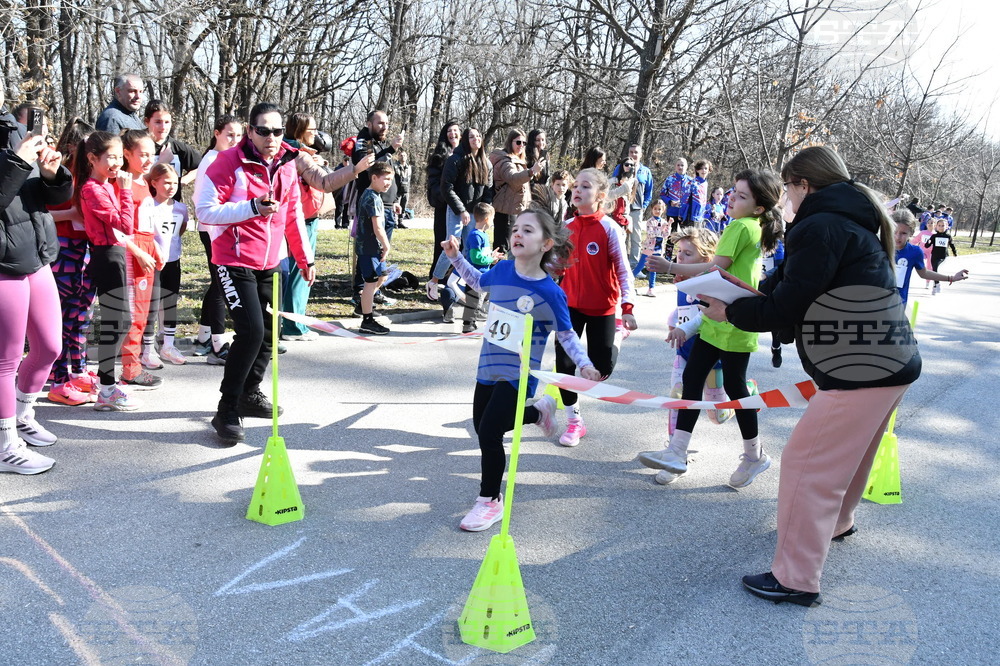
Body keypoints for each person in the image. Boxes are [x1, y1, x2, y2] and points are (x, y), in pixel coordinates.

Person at [697, 146, 921, 606]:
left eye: (789, 191)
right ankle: (837, 523)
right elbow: (791, 288)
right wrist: (745, 297)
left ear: (804, 185)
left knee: (808, 464)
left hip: (860, 369)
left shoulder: (820, 225)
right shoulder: (848, 219)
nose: (786, 201)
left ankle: (796, 577)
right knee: (851, 456)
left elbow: (788, 305)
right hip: (889, 363)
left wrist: (731, 311)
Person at [442, 207, 602, 531]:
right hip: (487, 367)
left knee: (490, 432)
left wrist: (584, 364)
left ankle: (490, 501)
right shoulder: (501, 271)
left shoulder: (551, 292)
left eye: (528, 230)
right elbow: (476, 281)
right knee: (482, 427)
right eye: (516, 229)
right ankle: (539, 412)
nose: (518, 234)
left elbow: (567, 335)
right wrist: (456, 257)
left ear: (546, 244)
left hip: (519, 375)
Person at [642, 169, 783, 487]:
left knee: (735, 390)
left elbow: (716, 266)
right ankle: (677, 452)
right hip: (719, 318)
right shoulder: (751, 224)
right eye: (733, 191)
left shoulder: (740, 227)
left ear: (759, 208)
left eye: (742, 195)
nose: (732, 197)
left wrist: (670, 266)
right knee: (695, 379)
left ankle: (754, 456)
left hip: (733, 321)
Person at [195, 102, 316, 445]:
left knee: (271, 334)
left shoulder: (287, 165)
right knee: (251, 331)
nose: (271, 138)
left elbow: (292, 215)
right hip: (232, 259)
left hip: (269, 262)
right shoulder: (226, 162)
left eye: (277, 131)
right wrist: (250, 208)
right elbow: (204, 211)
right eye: (263, 130)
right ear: (250, 131)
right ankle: (226, 408)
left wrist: (305, 260)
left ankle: (250, 391)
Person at [0, 111, 72, 474]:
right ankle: (4, 444)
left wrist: (51, 173)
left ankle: (23, 414)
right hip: (2, 263)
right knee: (5, 359)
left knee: (49, 347)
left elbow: (50, 197)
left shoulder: (14, 129)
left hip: (36, 253)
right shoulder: (16, 147)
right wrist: (17, 161)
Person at [554, 168, 638, 447]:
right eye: (575, 185)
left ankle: (618, 335)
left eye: (585, 187)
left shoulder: (609, 228)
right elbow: (555, 267)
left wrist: (627, 307)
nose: (577, 190)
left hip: (602, 306)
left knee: (600, 371)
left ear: (601, 196)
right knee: (564, 365)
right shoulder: (566, 227)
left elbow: (624, 271)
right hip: (569, 307)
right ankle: (574, 421)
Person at [651, 226, 735, 485]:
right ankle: (676, 454)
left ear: (707, 258)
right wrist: (673, 322)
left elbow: (703, 315)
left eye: (688, 254)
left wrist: (684, 327)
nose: (680, 259)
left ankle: (745, 398)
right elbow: (682, 309)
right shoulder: (681, 280)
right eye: (678, 253)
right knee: (678, 394)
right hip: (685, 352)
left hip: (712, 355)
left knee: (716, 414)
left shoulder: (712, 282)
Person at [281, 111, 373, 340]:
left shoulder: (290, 152)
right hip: (303, 220)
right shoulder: (299, 156)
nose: (316, 133)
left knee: (293, 271)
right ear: (300, 132)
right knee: (300, 272)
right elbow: (324, 182)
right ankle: (294, 327)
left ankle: (291, 323)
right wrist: (355, 169)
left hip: (295, 218)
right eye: (312, 130)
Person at [76, 131, 141, 411]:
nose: (116, 163)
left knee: (120, 321)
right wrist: (126, 191)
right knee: (117, 321)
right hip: (106, 255)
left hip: (114, 253)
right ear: (92, 158)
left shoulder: (104, 185)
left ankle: (107, 386)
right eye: (110, 157)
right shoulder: (92, 188)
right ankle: (106, 389)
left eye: (118, 156)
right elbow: (125, 225)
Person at [46, 117, 99, 406]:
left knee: (81, 316)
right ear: (70, 147)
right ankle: (57, 379)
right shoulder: (55, 175)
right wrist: (71, 214)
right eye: (86, 149)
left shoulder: (92, 176)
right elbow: (38, 215)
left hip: (87, 251)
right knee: (59, 318)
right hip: (61, 251)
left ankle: (78, 370)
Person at [192, 115, 244, 364]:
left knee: (217, 283)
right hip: (214, 230)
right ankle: (218, 344)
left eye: (238, 135)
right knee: (222, 285)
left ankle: (204, 337)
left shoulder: (226, 158)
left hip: (222, 230)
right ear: (216, 134)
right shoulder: (212, 160)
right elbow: (202, 202)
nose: (234, 140)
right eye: (229, 135)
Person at [118, 129, 164, 386]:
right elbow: (116, 228)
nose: (149, 160)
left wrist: (154, 247)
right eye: (143, 154)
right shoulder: (120, 183)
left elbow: (146, 222)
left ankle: (133, 365)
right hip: (131, 253)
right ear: (127, 154)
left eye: (152, 154)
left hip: (146, 250)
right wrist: (137, 251)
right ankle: (130, 369)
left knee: (144, 313)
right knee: (133, 314)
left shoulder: (144, 181)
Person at [427, 127, 493, 300]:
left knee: (468, 250)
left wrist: (483, 213)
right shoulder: (455, 159)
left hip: (475, 212)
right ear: (465, 140)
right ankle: (433, 281)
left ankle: (458, 284)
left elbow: (488, 191)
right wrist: (461, 210)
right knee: (452, 245)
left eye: (478, 136)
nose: (475, 139)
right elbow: (446, 187)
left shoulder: (487, 163)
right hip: (457, 210)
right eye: (471, 136)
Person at [350, 110, 404, 309]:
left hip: (387, 205)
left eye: (387, 123)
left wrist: (394, 200)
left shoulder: (380, 142)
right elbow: (369, 166)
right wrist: (391, 148)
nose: (384, 127)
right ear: (369, 123)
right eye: (380, 123)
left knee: (380, 255)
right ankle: (360, 293)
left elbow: (387, 172)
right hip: (372, 206)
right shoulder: (363, 141)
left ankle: (374, 292)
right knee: (369, 253)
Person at [144, 164, 189, 364]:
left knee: (170, 303)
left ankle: (168, 346)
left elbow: (181, 229)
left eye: (175, 183)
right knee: (151, 306)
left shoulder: (180, 208)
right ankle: (146, 349)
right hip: (153, 264)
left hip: (173, 262)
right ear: (154, 183)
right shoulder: (147, 206)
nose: (171, 187)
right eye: (166, 183)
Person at [892, 210, 968, 305]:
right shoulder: (878, 247)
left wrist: (951, 278)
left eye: (903, 233)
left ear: (911, 233)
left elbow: (924, 273)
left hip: (898, 304)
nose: (898, 237)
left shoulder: (914, 252)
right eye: (894, 232)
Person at [355, 161, 396, 335]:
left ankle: (362, 306)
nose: (388, 183)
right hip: (370, 249)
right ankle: (367, 320)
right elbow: (377, 226)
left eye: (390, 179)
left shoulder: (374, 195)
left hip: (374, 249)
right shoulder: (372, 197)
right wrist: (387, 245)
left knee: (382, 277)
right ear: (374, 177)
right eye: (385, 179)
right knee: (371, 282)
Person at [490, 129, 544, 255]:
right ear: (510, 142)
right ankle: (497, 273)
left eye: (524, 143)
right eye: (518, 142)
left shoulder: (517, 159)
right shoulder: (505, 161)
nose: (521, 146)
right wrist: (531, 171)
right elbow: (513, 178)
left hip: (514, 209)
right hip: (505, 211)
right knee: (502, 248)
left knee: (512, 247)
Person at [458, 202, 503, 333]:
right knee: (473, 299)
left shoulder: (483, 235)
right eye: (493, 219)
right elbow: (475, 257)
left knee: (482, 297)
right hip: (474, 275)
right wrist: (490, 259)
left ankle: (474, 320)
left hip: (484, 274)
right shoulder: (475, 236)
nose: (493, 222)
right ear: (487, 219)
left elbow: (482, 254)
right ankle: (468, 325)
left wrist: (492, 255)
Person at [426, 121, 461, 284]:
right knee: (443, 241)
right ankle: (437, 278)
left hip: (463, 207)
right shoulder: (439, 155)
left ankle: (455, 278)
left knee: (461, 244)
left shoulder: (467, 154)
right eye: (449, 131)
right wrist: (445, 197)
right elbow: (433, 182)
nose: (453, 133)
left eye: (456, 130)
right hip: (444, 206)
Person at [612, 144, 655, 270]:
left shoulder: (645, 171)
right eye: (631, 152)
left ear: (640, 154)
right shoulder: (620, 168)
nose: (633, 155)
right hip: (621, 209)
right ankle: (620, 263)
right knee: (620, 236)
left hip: (636, 209)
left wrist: (644, 206)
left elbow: (649, 191)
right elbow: (614, 186)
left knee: (636, 238)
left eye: (636, 152)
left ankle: (634, 265)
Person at [632, 198, 668, 296]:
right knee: (640, 265)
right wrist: (661, 229)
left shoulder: (664, 221)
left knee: (653, 268)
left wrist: (669, 225)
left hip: (658, 248)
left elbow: (665, 235)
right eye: (655, 209)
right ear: (652, 209)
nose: (657, 211)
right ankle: (628, 282)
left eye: (659, 209)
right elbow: (651, 234)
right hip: (649, 248)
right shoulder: (649, 221)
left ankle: (651, 288)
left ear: (663, 210)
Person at [924, 217, 958, 295]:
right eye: (939, 225)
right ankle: (935, 286)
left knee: (935, 268)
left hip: (943, 256)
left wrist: (955, 253)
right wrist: (928, 242)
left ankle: (937, 284)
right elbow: (926, 246)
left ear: (946, 226)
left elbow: (952, 245)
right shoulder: (934, 236)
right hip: (934, 255)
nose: (941, 227)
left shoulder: (948, 236)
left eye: (943, 225)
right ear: (936, 226)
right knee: (934, 270)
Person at [659, 157, 690, 228]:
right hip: (672, 211)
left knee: (684, 235)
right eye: (678, 165)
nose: (680, 167)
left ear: (686, 167)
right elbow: (662, 194)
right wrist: (670, 202)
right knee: (671, 234)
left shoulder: (690, 181)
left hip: (685, 213)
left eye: (682, 165)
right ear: (675, 167)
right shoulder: (670, 179)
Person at [396, 150, 411, 228]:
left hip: (406, 190)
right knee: (396, 206)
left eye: (404, 155)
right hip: (397, 190)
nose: (403, 157)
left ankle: (400, 222)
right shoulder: (395, 166)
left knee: (403, 207)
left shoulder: (409, 167)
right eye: (401, 155)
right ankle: (394, 222)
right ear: (398, 156)